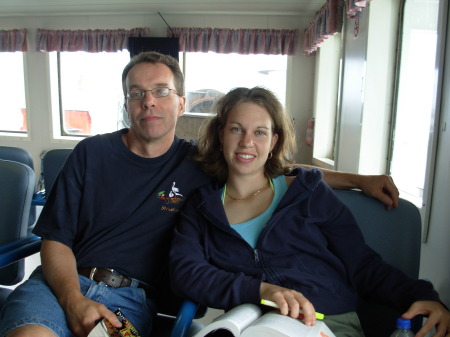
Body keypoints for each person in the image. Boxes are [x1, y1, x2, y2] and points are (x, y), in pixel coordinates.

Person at [0, 52, 400, 337]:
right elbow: (55, 238)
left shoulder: (199, 163)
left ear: (181, 102)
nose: (149, 102)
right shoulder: (91, 153)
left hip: (132, 299)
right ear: (126, 104)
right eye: (137, 93)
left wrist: (358, 179)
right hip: (60, 285)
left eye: (160, 91)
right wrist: (72, 299)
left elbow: (282, 169)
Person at [169, 87, 450, 337]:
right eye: (236, 129)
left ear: (274, 141)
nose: (247, 142)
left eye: (260, 132)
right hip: (250, 322)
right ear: (221, 134)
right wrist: (261, 290)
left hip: (326, 321)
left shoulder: (307, 194)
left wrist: (423, 295)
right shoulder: (201, 207)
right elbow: (186, 272)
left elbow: (364, 266)